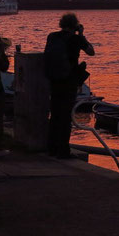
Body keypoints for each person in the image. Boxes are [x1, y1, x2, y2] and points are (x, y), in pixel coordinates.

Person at [44, 13, 94, 159]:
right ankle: (63, 151)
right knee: (66, 117)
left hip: (54, 80)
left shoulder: (52, 36)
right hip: (69, 80)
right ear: (75, 25)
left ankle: (52, 148)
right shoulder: (76, 38)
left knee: (55, 114)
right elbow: (91, 51)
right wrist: (82, 34)